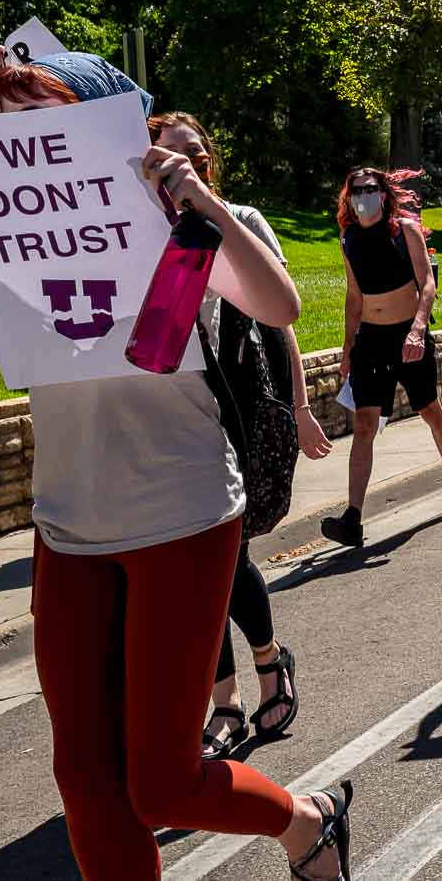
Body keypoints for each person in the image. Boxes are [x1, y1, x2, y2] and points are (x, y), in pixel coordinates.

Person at [0, 51, 353, 879]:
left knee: (162, 785)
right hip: (69, 525)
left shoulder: (172, 215)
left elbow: (279, 305)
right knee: (85, 779)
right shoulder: (7, 233)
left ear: (100, 122)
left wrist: (200, 199)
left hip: (183, 515)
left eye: (43, 118)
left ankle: (306, 822)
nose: (22, 139)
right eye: (7, 125)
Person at [143, 112, 333, 763]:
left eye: (197, 152)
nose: (186, 160)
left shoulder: (240, 219)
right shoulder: (131, 232)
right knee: (192, 572)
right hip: (163, 420)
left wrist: (302, 405)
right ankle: (224, 700)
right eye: (172, 152)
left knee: (227, 559)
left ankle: (269, 660)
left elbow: (280, 322)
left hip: (236, 412)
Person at [320, 166, 442, 548]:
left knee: (430, 410)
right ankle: (352, 517)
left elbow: (428, 284)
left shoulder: (404, 229)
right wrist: (347, 347)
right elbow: (354, 297)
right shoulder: (348, 236)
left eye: (370, 189)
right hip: (371, 339)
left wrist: (419, 329)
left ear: (384, 193)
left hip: (408, 336)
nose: (363, 196)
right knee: (365, 424)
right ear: (347, 195)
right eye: (356, 190)